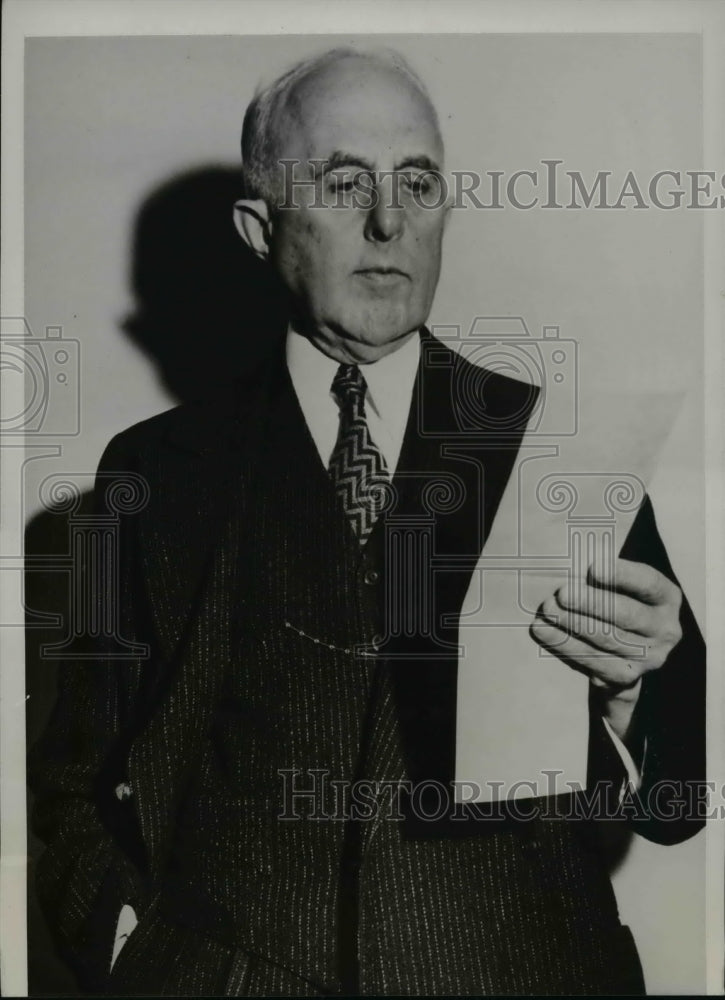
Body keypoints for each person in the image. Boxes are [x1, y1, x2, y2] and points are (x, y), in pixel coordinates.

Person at [29, 47, 705, 996]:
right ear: (259, 229)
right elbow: (78, 774)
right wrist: (126, 944)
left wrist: (637, 691)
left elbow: (679, 805)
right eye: (344, 182)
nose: (388, 220)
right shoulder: (148, 472)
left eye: (417, 182)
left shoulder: (549, 445)